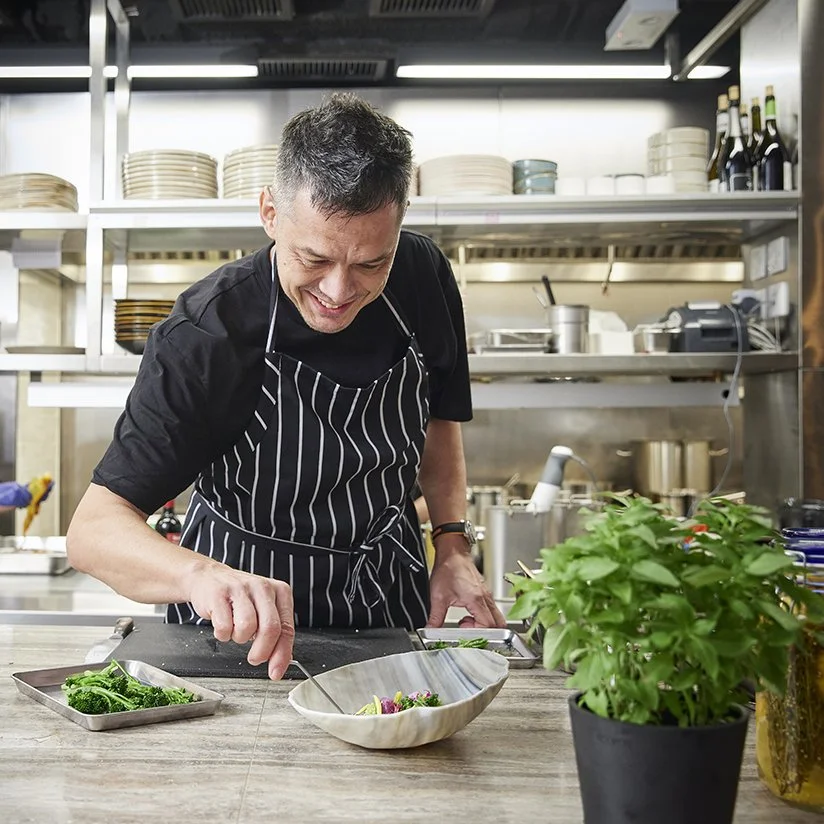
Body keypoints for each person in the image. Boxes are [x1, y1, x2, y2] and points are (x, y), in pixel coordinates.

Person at [66, 92, 505, 681]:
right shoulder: (208, 331)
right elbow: (94, 531)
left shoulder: (423, 277)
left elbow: (437, 420)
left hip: (387, 605)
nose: (339, 289)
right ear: (270, 212)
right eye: (313, 257)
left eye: (372, 263)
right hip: (237, 635)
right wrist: (198, 576)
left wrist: (452, 544)